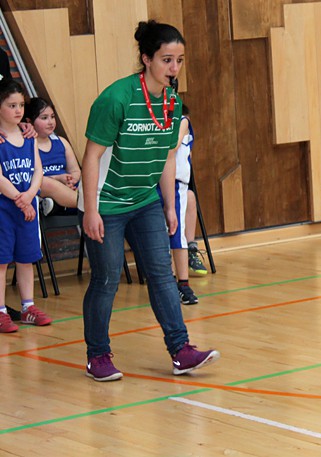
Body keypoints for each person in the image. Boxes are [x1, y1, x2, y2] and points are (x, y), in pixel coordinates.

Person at [79, 20, 219, 381]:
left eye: (179, 60)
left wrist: (170, 206)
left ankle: (181, 350)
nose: (174, 68)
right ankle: (97, 355)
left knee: (161, 275)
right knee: (106, 279)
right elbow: (91, 156)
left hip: (145, 201)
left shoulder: (172, 102)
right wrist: (91, 210)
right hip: (106, 204)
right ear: (146, 59)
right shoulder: (116, 99)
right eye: (166, 60)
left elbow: (167, 157)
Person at [0, 79, 52, 332]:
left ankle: (27, 307)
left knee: (26, 258)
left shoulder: (29, 136)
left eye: (21, 105)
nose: (18, 110)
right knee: (1, 261)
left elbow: (38, 171)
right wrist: (20, 200)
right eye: (12, 105)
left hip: (27, 207)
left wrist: (30, 194)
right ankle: (0, 310)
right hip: (5, 209)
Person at [157, 104, 206, 306]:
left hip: (175, 184)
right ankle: (166, 283)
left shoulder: (183, 122)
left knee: (176, 233)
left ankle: (183, 285)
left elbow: (172, 147)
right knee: (159, 236)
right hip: (152, 182)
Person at [25, 97, 80, 213]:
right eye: (44, 118)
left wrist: (70, 181)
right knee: (45, 183)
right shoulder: (26, 145)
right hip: (44, 187)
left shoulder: (61, 142)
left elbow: (75, 170)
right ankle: (89, 204)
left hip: (69, 187)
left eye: (53, 116)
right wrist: (57, 179)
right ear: (29, 121)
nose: (50, 122)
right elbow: (28, 177)